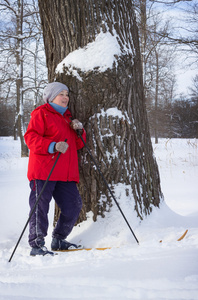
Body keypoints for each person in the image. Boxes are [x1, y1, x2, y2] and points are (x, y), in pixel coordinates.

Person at [24, 82, 86, 256]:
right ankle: (37, 245)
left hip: (65, 173)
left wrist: (79, 130)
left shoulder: (68, 118)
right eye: (61, 94)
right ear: (51, 97)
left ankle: (58, 239)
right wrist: (52, 146)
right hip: (44, 171)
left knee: (73, 206)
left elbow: (79, 144)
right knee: (40, 207)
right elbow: (30, 138)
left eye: (67, 94)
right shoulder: (41, 113)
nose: (65, 97)